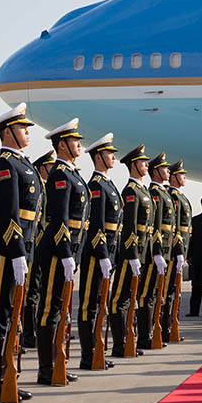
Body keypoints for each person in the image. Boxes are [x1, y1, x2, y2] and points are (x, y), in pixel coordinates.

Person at [0, 103, 38, 403]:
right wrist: (17, 252)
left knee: (15, 315)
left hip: (23, 250)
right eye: (22, 128)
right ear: (8, 131)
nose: (28, 132)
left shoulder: (23, 164)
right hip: (7, 251)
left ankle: (10, 378)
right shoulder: (5, 164)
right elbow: (8, 215)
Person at [36, 118, 86, 386]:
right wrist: (66, 252)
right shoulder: (59, 174)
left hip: (67, 251)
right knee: (50, 310)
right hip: (57, 251)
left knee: (59, 308)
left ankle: (57, 364)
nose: (79, 143)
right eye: (74, 140)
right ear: (62, 144)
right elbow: (59, 219)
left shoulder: (71, 173)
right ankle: (47, 368)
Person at [109, 145, 152, 358]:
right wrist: (133, 255)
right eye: (143, 162)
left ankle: (128, 340)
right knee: (120, 299)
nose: (146, 165)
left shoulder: (142, 190)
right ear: (133, 165)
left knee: (130, 298)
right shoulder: (130, 191)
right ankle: (120, 343)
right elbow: (130, 227)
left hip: (141, 252)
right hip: (130, 254)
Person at [79, 134, 118, 370]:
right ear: (98, 156)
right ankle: (88, 353)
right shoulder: (95, 185)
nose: (113, 156)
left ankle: (97, 350)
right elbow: (97, 225)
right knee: (89, 304)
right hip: (96, 254)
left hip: (107, 252)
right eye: (109, 153)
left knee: (99, 302)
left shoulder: (108, 184)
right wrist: (103, 254)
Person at [23, 150, 56, 351]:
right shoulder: (40, 189)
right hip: (34, 244)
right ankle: (29, 333)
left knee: (40, 287)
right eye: (50, 166)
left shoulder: (47, 189)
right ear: (43, 168)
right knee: (31, 289)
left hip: (43, 245)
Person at [138, 153, 171, 350]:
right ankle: (144, 335)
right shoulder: (155, 193)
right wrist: (157, 251)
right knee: (147, 294)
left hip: (161, 249)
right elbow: (156, 226)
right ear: (156, 171)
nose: (168, 171)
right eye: (164, 168)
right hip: (152, 249)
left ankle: (149, 333)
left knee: (155, 293)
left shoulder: (162, 192)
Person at [162, 160, 191, 342]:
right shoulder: (172, 196)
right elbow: (175, 228)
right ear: (173, 177)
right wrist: (179, 250)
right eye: (181, 175)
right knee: (167, 291)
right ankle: (164, 328)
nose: (184, 178)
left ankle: (171, 326)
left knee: (173, 291)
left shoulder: (180, 196)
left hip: (180, 251)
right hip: (173, 252)